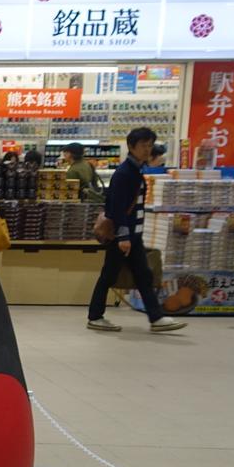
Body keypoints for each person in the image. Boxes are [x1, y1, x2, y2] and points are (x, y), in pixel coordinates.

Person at [87, 126, 187, 334]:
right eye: (143, 145)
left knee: (143, 275)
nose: (147, 150)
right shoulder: (125, 173)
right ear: (131, 146)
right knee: (109, 276)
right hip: (123, 237)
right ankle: (96, 316)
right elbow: (116, 207)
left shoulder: (135, 171)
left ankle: (156, 317)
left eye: (150, 146)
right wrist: (124, 236)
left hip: (133, 236)